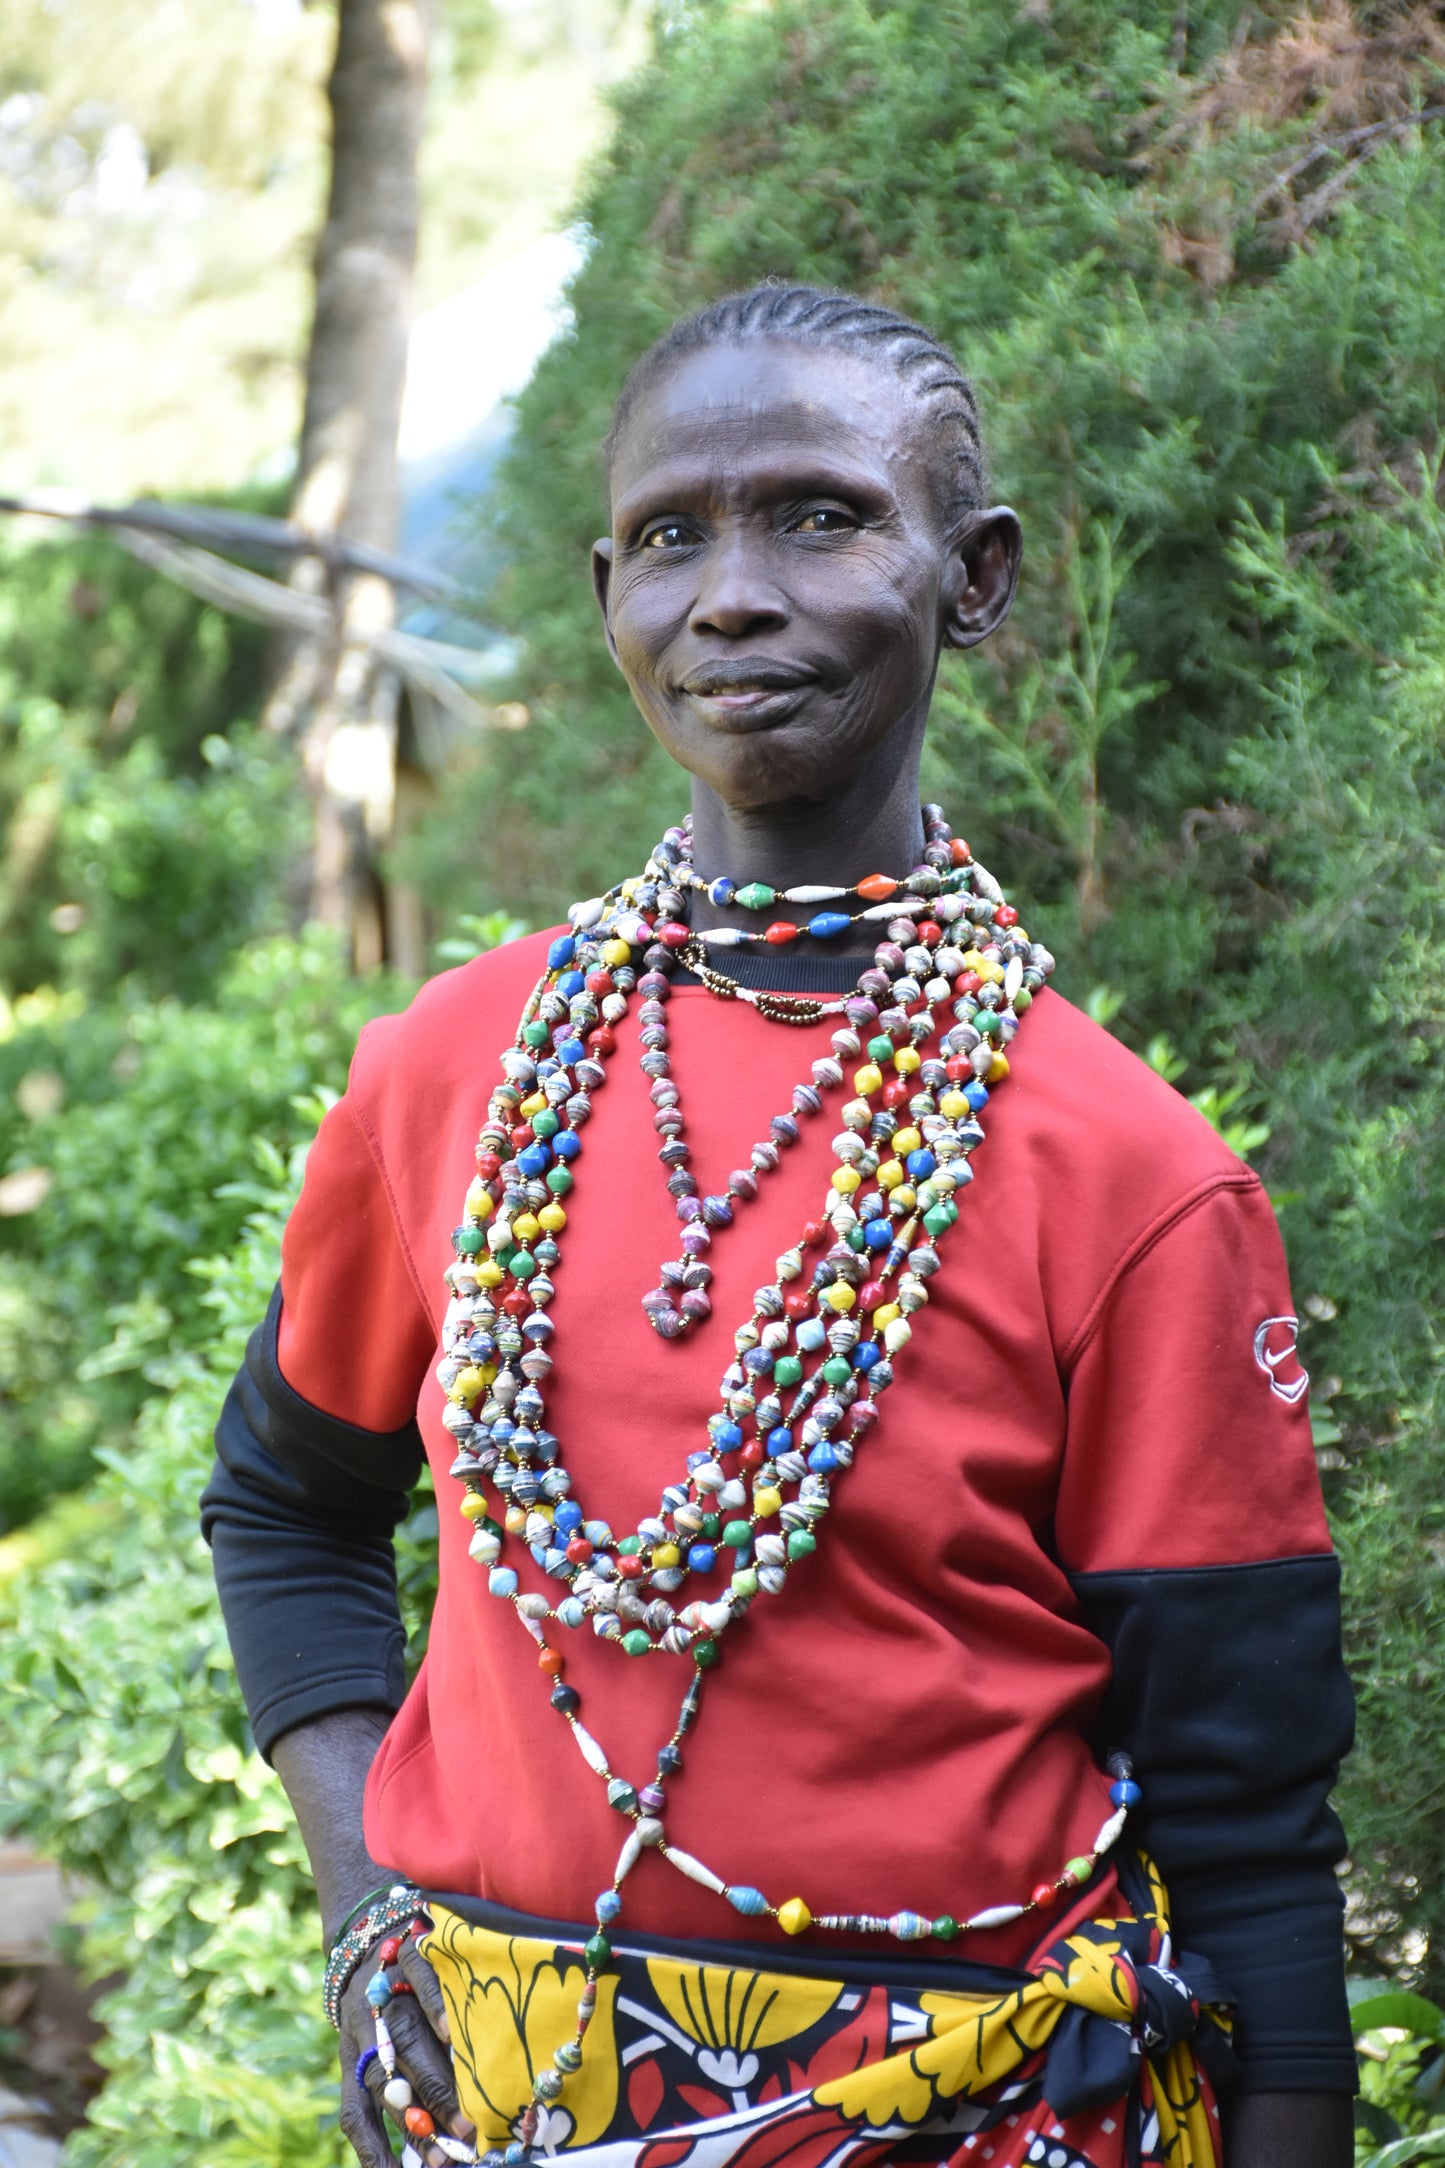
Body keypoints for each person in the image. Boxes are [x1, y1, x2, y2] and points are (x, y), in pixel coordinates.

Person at [203, 283, 1357, 2168]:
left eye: (817, 516)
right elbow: (285, 1506)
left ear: (970, 579)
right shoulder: (450, 1075)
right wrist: (363, 1918)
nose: (730, 593)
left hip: (971, 2113)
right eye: (671, 537)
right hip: (488, 2103)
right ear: (606, 605)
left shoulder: (1128, 1175)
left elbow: (1246, 1809)